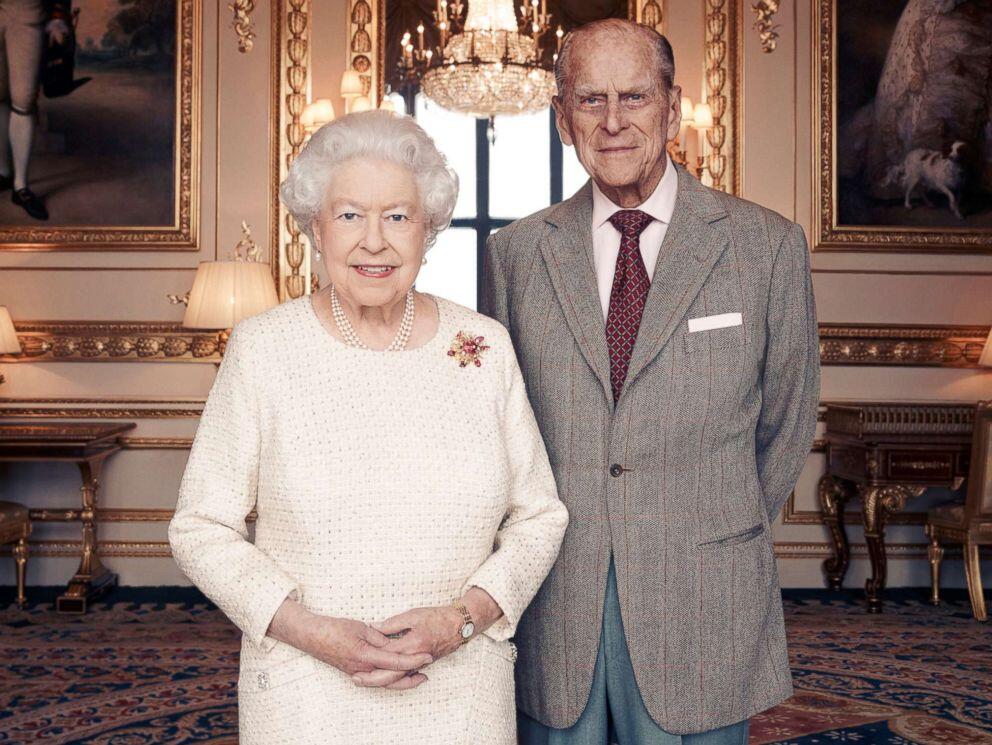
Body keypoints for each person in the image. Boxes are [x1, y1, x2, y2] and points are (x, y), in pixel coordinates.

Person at [169, 110, 568, 745]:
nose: (374, 241)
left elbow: (541, 515)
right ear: (315, 228)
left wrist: (463, 620)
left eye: (398, 216)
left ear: (429, 229)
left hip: (461, 693)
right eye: (350, 214)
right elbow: (200, 527)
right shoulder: (264, 350)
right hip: (306, 696)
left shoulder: (482, 347)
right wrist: (311, 631)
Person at [482, 18, 820, 745]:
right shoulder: (513, 256)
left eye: (633, 97)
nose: (611, 122)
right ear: (562, 115)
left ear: (671, 106)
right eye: (589, 99)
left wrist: (703, 521)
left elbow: (787, 423)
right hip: (557, 599)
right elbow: (501, 430)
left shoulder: (766, 246)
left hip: (701, 592)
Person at [0, 0, 70, 221]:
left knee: (23, 99)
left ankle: (20, 187)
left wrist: (58, 14)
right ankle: (3, 172)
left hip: (28, 10)